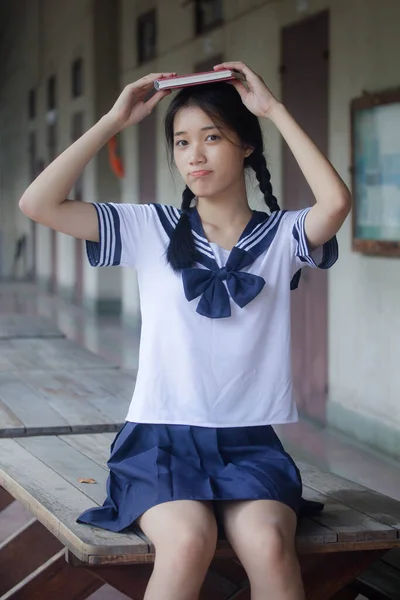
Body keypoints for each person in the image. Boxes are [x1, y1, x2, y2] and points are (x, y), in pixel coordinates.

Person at [19, 61, 352, 600]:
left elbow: (335, 203)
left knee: (269, 544)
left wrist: (273, 110)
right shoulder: (148, 228)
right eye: (181, 142)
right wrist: (112, 120)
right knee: (188, 541)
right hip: (159, 440)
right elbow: (38, 204)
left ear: (245, 145)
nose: (193, 155)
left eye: (212, 138)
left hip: (249, 444)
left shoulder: (282, 235)